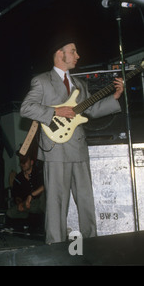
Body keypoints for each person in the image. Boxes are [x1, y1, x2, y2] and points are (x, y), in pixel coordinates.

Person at [20, 36, 124, 244]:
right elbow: (26, 108)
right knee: (57, 202)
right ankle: (55, 247)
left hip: (78, 146)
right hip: (55, 148)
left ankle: (92, 243)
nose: (78, 55)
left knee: (86, 200)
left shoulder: (79, 84)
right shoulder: (42, 81)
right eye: (73, 51)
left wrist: (115, 97)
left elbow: (91, 110)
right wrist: (56, 111)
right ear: (60, 53)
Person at [6, 154, 45, 230]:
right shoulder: (18, 178)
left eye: (25, 161)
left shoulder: (38, 173)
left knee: (36, 205)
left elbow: (44, 186)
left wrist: (31, 196)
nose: (23, 164)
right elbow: (16, 195)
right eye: (21, 162)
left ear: (31, 162)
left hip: (39, 202)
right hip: (26, 205)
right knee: (10, 213)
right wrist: (19, 204)